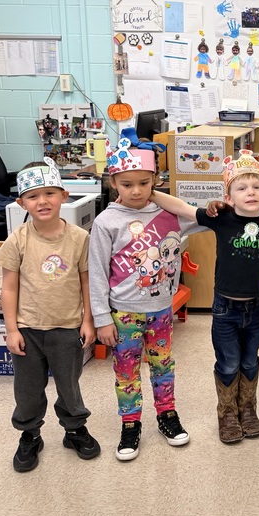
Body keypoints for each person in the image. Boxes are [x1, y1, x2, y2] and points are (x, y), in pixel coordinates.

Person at [89, 129, 202, 461]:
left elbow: (208, 220)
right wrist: (100, 319)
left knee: (163, 365)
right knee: (127, 371)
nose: (136, 191)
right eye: (127, 184)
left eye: (144, 182)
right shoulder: (106, 221)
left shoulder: (168, 215)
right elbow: (96, 273)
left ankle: (167, 415)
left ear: (155, 179)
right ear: (114, 183)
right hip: (122, 313)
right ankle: (130, 424)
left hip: (161, 310)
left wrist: (173, 201)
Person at [0, 158, 100, 472]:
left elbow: (86, 282)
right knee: (27, 388)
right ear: (21, 202)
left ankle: (74, 429)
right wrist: (11, 329)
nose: (42, 201)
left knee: (69, 385)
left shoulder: (80, 238)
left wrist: (88, 320)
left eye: (50, 193)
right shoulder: (17, 240)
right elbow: (9, 288)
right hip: (27, 329)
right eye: (33, 196)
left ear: (63, 195)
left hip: (66, 328)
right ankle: (30, 434)